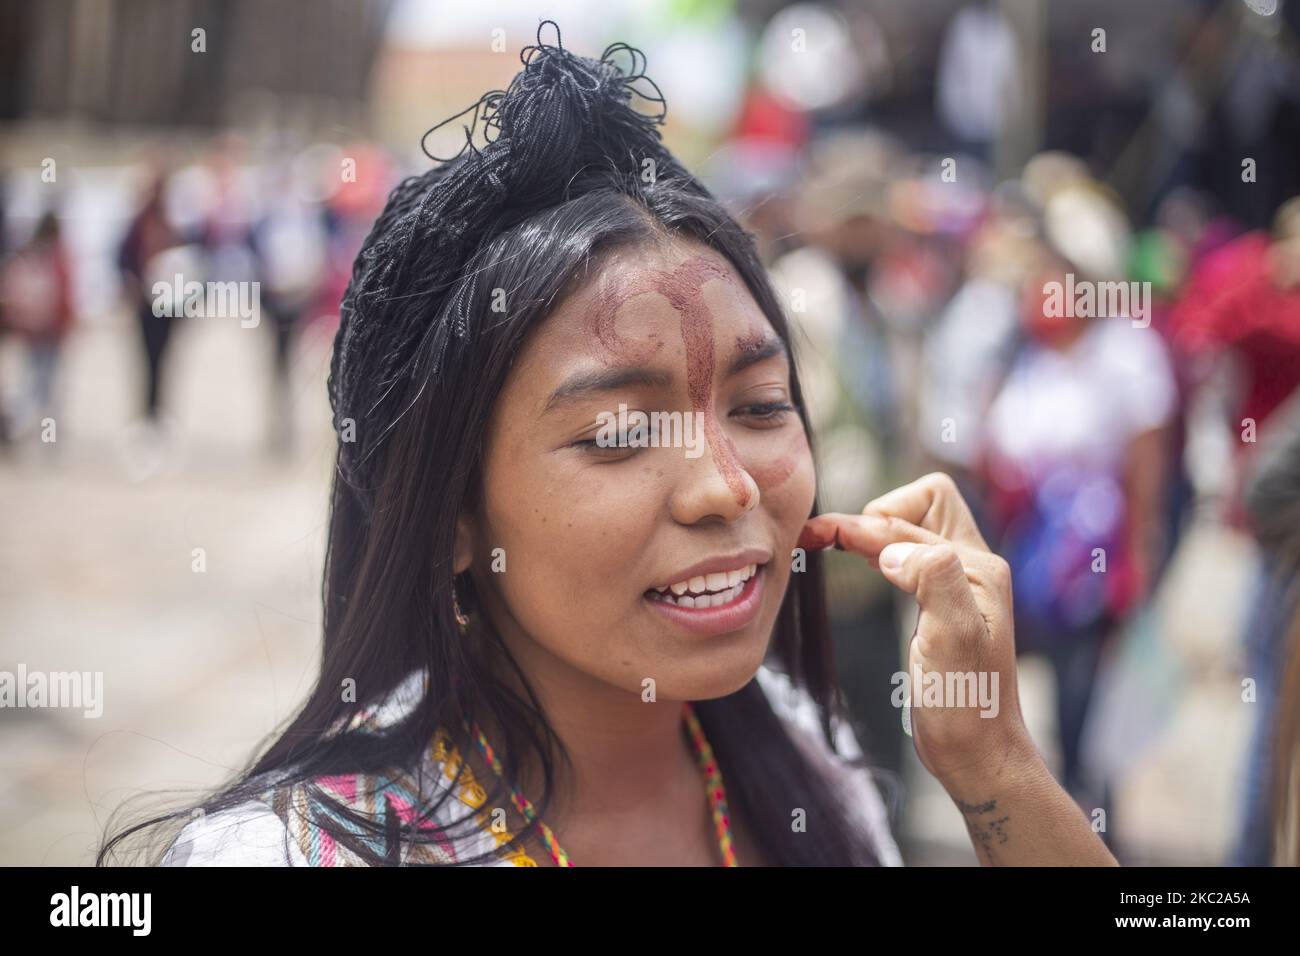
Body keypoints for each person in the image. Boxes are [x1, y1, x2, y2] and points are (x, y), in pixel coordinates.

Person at [101, 22, 1117, 868]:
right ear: (450, 511)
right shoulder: (291, 854)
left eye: (760, 406)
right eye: (623, 431)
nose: (726, 489)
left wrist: (994, 767)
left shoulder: (815, 773)